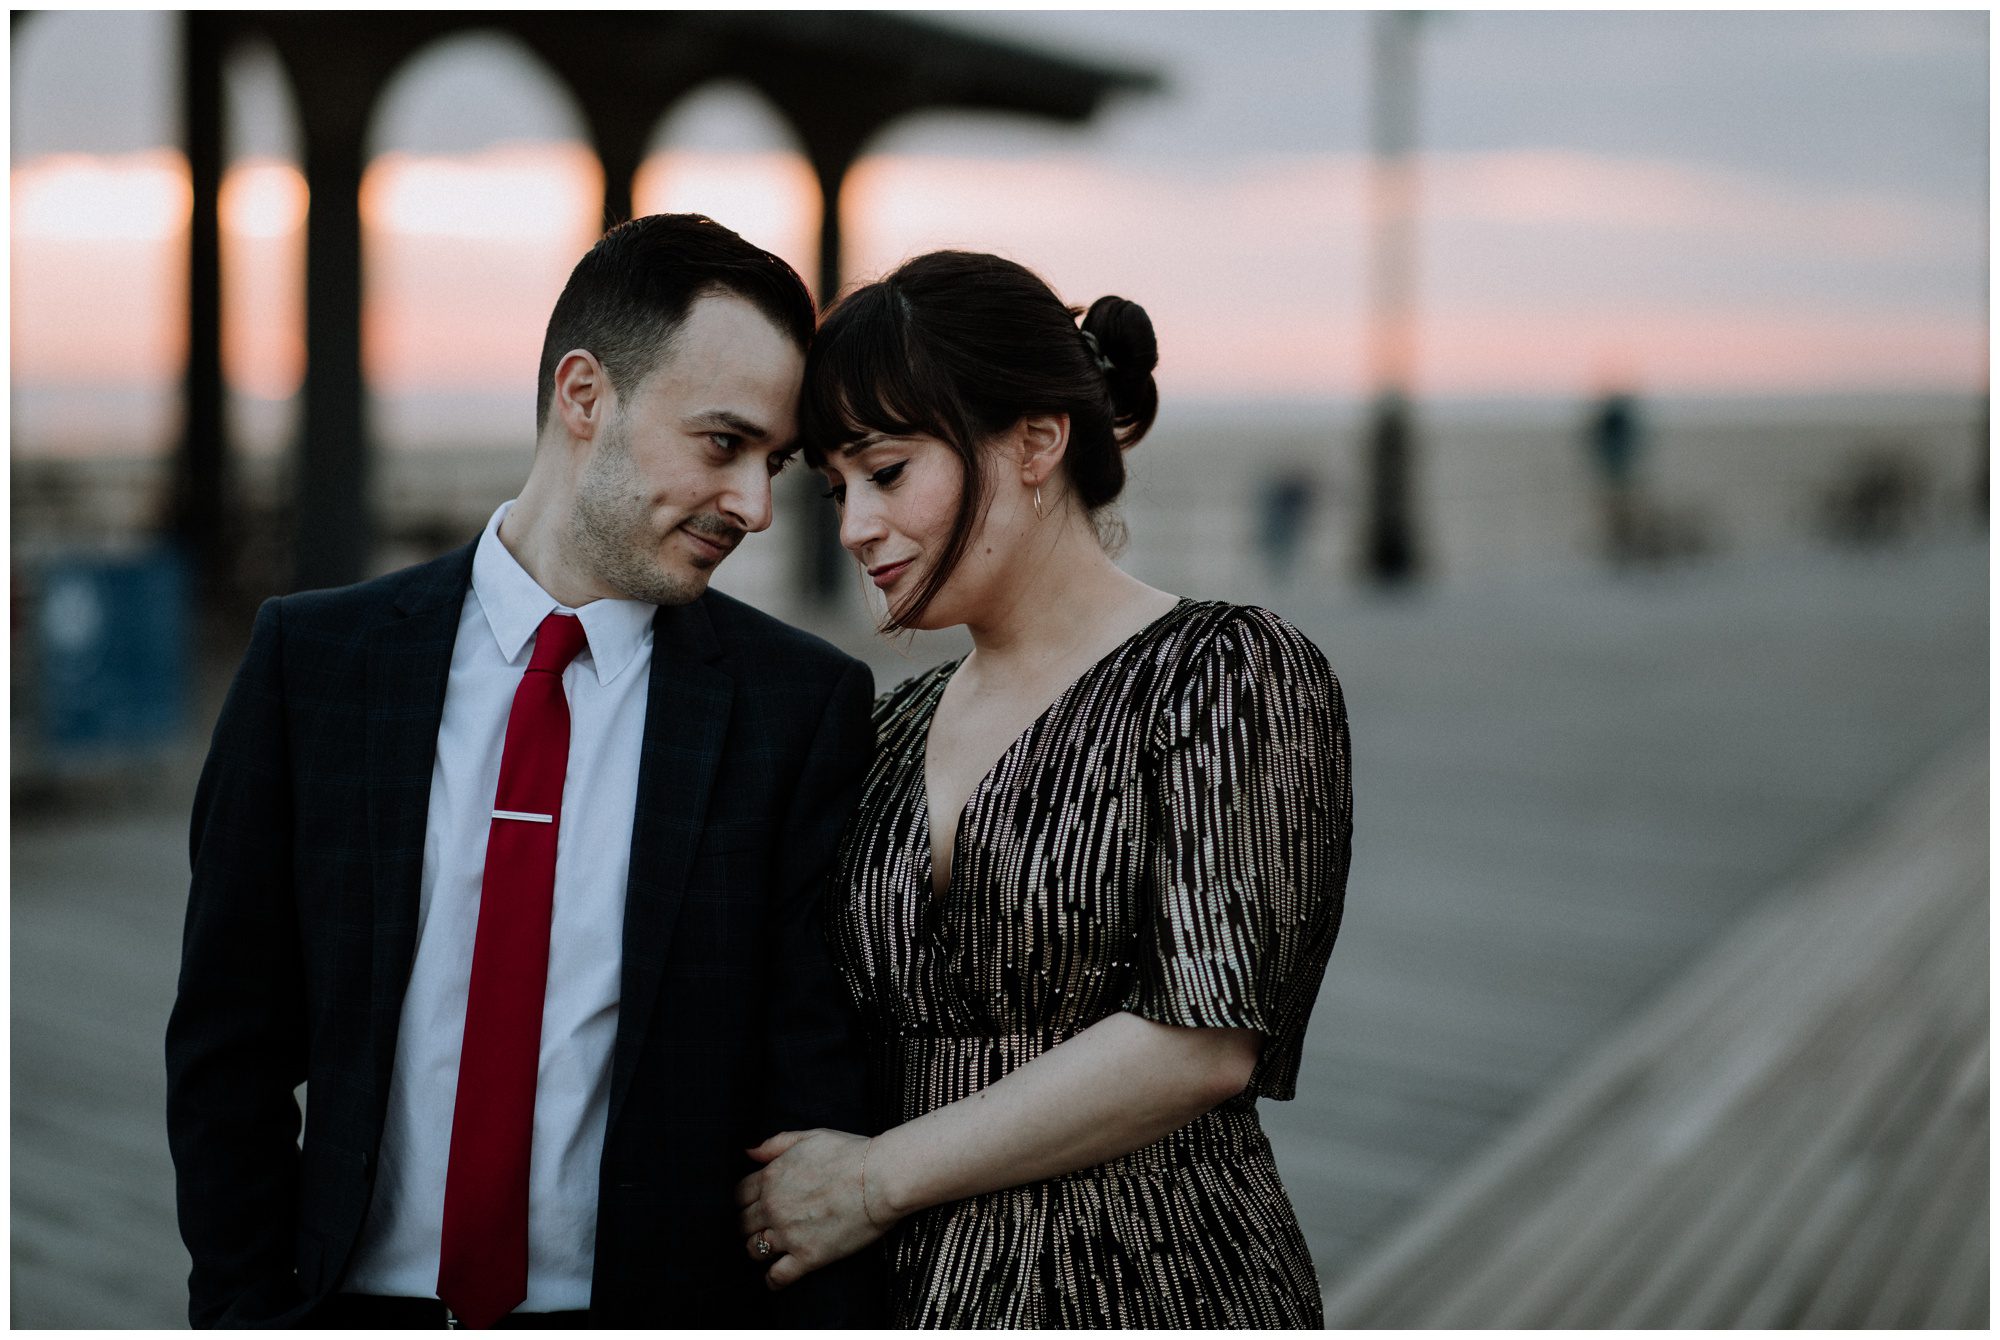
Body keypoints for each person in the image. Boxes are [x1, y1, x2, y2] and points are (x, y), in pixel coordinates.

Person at [165, 214, 883, 1329]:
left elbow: (813, 1091)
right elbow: (227, 1049)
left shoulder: (797, 709)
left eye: (775, 464)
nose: (753, 505)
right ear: (583, 394)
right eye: (721, 443)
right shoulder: (315, 663)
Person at [734, 251, 1353, 1327]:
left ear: (1034, 439)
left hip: (1150, 1274)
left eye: (886, 471)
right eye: (835, 490)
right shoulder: (885, 726)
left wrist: (872, 1180)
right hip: (906, 1294)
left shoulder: (1224, 671)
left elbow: (1201, 1038)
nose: (852, 527)